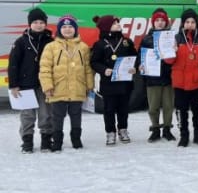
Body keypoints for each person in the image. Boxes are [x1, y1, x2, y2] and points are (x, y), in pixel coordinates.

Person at [39, 15, 94, 152]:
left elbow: (88, 69)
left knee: (76, 116)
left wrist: (89, 85)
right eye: (64, 27)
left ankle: (76, 139)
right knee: (57, 117)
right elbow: (45, 68)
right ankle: (57, 142)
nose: (67, 29)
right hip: (58, 89)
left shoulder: (83, 47)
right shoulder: (51, 47)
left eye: (70, 27)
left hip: (77, 88)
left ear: (75, 29)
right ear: (59, 30)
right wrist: (47, 86)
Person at [8, 8, 53, 153]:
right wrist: (14, 85)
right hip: (25, 85)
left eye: (41, 22)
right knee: (27, 115)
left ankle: (46, 140)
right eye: (35, 22)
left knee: (46, 114)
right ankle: (27, 141)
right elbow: (13, 64)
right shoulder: (21, 42)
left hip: (44, 85)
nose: (39, 25)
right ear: (29, 24)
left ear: (45, 24)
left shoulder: (51, 42)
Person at [165, 9, 198, 147]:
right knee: (181, 110)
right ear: (183, 23)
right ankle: (184, 136)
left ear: (196, 24)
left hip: (197, 82)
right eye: (187, 22)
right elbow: (168, 61)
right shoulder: (176, 39)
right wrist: (172, 52)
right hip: (180, 82)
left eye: (193, 22)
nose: (190, 24)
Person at [91, 15, 137, 145]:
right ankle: (110, 132)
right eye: (115, 23)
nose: (118, 24)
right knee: (109, 109)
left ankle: (123, 129)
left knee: (123, 108)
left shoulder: (126, 42)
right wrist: (104, 70)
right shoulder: (99, 44)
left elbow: (135, 56)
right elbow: (94, 62)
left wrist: (134, 68)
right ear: (107, 27)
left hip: (125, 83)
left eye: (117, 23)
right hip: (108, 84)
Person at [139, 8, 176, 142]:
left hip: (168, 78)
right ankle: (155, 129)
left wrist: (175, 51)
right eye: (157, 20)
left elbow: (177, 59)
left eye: (162, 20)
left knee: (168, 106)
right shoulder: (147, 39)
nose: (160, 23)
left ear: (166, 22)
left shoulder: (172, 38)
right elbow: (140, 56)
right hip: (152, 79)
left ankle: (167, 129)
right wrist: (141, 65)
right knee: (153, 107)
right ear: (153, 22)